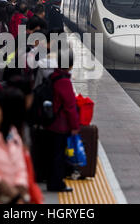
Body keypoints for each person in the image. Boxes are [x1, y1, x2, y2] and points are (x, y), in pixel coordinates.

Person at [45, 47, 79, 192]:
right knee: (58, 155)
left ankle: (52, 182)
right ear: (70, 65)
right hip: (61, 124)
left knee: (53, 153)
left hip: (52, 122)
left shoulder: (54, 76)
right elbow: (70, 107)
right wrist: (75, 126)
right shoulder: (64, 81)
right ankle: (57, 184)